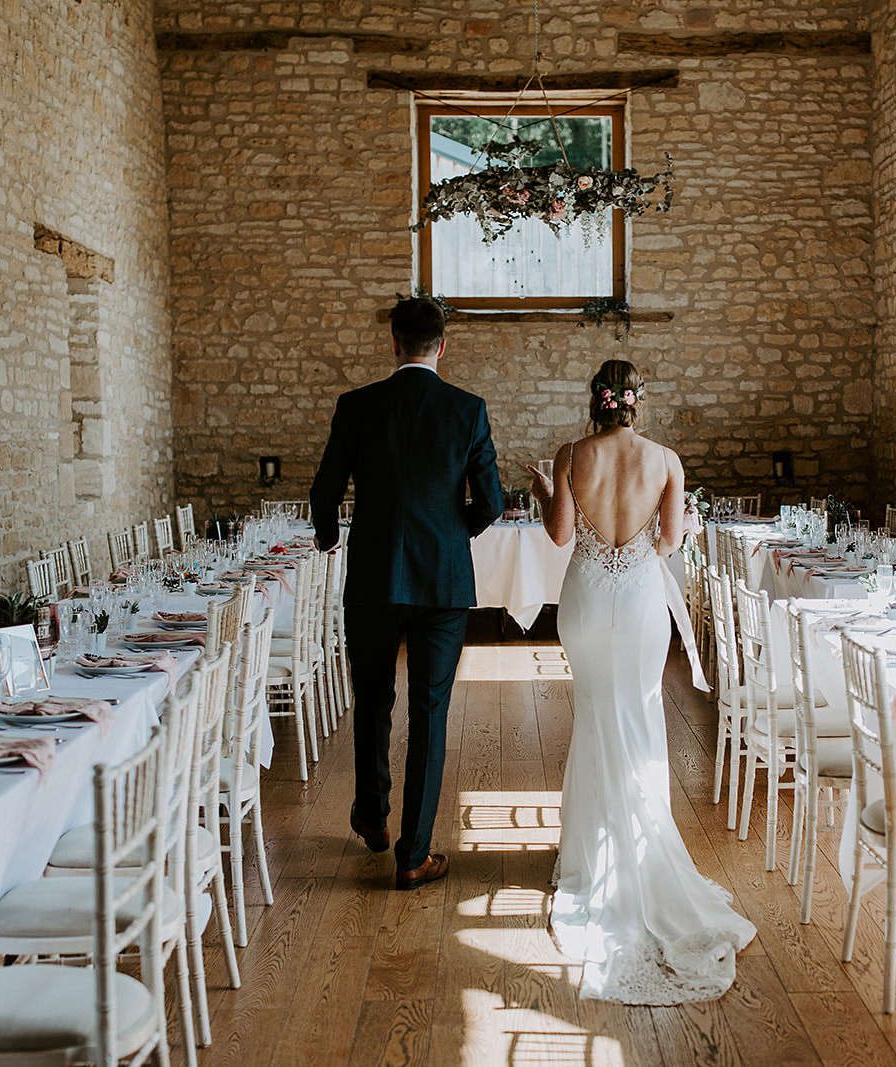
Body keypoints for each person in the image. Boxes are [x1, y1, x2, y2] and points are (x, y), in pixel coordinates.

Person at [527, 359, 755, 1004]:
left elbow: (561, 534)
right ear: (635, 402)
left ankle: (592, 860)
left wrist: (547, 493)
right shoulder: (666, 460)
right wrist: (630, 562)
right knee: (639, 716)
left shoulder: (571, 453)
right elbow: (671, 542)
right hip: (638, 602)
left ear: (595, 401)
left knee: (597, 715)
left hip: (585, 603)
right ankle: (633, 842)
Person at [310, 296, 503, 890]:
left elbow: (325, 492)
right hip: (443, 586)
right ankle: (414, 854)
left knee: (370, 700)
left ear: (394, 343)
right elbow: (491, 503)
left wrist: (326, 538)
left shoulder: (357, 405)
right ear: (442, 346)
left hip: (372, 578)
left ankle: (372, 815)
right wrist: (451, 536)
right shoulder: (467, 410)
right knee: (430, 711)